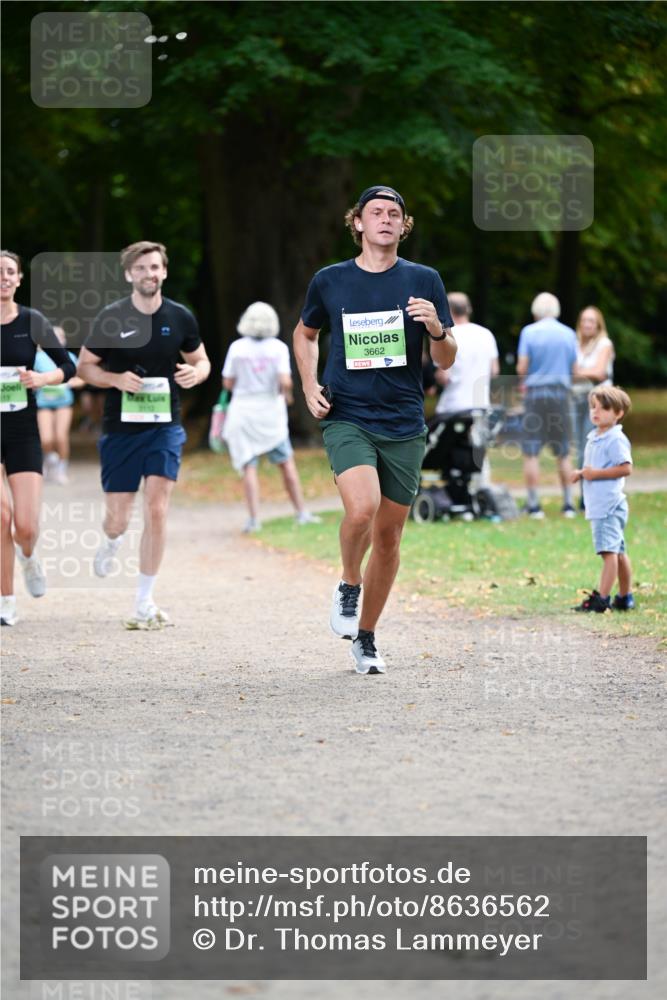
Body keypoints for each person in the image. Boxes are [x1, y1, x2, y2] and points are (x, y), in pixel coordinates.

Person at [293, 185, 457, 675]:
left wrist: (437, 330)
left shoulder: (425, 281)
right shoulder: (330, 281)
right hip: (348, 415)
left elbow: (447, 360)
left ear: (403, 227)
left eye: (394, 214)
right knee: (361, 509)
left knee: (388, 538)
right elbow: (304, 334)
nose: (385, 220)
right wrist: (308, 384)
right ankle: (348, 582)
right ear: (358, 223)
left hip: (405, 422)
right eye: (375, 213)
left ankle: (365, 637)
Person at [77, 241, 210, 628]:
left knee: (156, 508)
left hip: (164, 427)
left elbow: (200, 360)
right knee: (118, 518)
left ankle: (143, 600)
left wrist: (196, 373)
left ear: (164, 272)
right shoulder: (111, 317)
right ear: (128, 274)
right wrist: (116, 378)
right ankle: (113, 539)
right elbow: (86, 367)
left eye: (155, 267)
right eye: (141, 268)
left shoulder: (180, 317)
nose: (149, 274)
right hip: (120, 430)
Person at [0, 250, 77, 626]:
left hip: (21, 429)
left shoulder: (32, 320)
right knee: (1, 516)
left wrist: (41, 379)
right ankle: (6, 600)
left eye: (9, 272)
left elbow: (68, 365)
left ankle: (29, 557)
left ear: (18, 280)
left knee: (25, 526)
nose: (3, 277)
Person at [221, 301, 321, 533]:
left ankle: (254, 519)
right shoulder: (277, 348)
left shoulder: (237, 348)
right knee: (286, 463)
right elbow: (285, 381)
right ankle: (301, 511)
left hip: (243, 412)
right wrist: (285, 393)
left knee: (249, 466)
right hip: (270, 414)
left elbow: (228, 382)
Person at [571, 386, 634, 613]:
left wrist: (594, 474)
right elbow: (596, 467)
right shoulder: (596, 437)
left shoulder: (615, 439)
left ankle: (602, 600)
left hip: (608, 506)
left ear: (618, 413)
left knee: (608, 553)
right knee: (617, 551)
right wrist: (581, 474)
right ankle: (625, 597)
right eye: (593, 407)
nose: (596, 412)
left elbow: (626, 468)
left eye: (604, 408)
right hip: (603, 504)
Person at [516, 292, 577, 518]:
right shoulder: (569, 334)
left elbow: (522, 367)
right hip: (561, 394)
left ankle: (534, 506)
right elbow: (575, 368)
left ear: (536, 311)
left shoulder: (529, 333)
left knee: (531, 451)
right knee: (563, 450)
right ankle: (569, 504)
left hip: (535, 394)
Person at [571, 306, 614, 509]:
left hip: (598, 403)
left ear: (598, 325)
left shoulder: (604, 344)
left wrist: (577, 371)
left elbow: (599, 372)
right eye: (584, 320)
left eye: (591, 321)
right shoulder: (575, 344)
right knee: (580, 449)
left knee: (595, 449)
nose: (587, 324)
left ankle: (596, 497)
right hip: (577, 400)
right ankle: (585, 497)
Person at [434, 292, 500, 415]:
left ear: (448, 310)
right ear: (468, 309)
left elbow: (444, 376)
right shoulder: (486, 334)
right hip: (482, 407)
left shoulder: (446, 336)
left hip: (453, 407)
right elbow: (494, 371)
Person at [35, 326, 84, 485]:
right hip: (43, 403)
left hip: (64, 403)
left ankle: (61, 470)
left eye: (59, 338)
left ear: (63, 340)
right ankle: (51, 460)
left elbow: (82, 379)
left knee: (61, 437)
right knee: (46, 439)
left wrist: (68, 384)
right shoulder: (38, 358)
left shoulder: (69, 357)